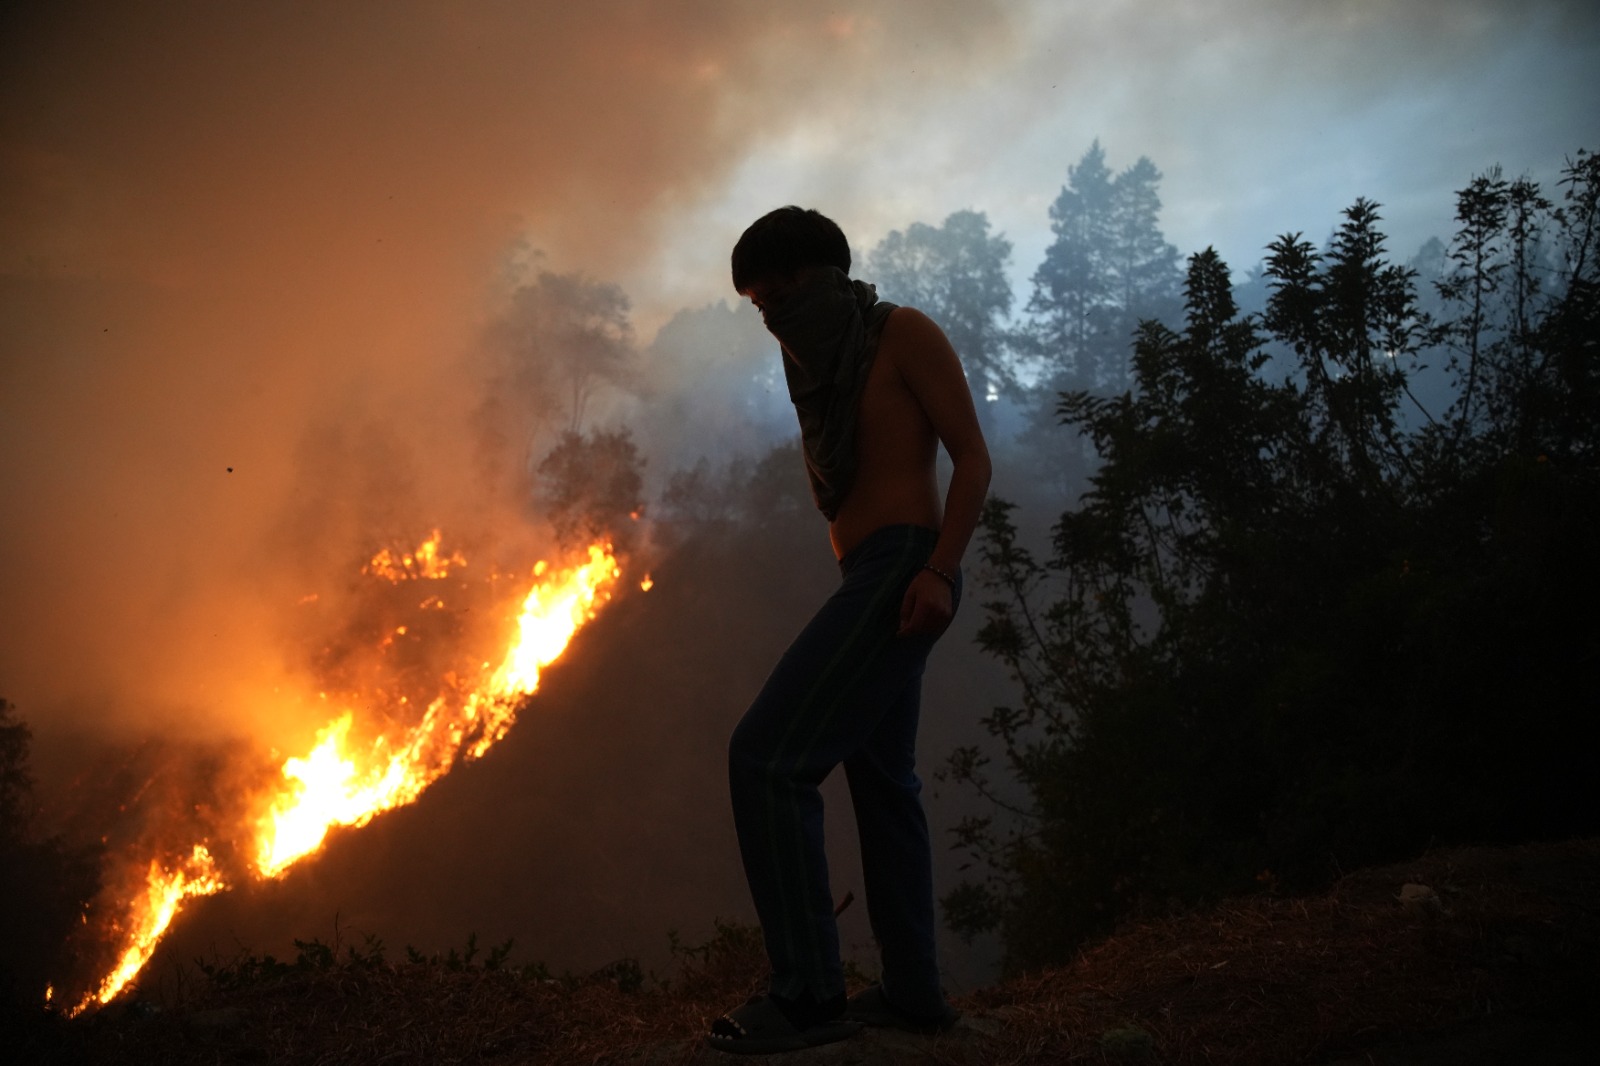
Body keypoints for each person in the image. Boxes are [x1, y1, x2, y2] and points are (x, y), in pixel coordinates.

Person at [706, 206, 991, 1055]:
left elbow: (971, 457)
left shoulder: (902, 334)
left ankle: (807, 997)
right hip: (869, 573)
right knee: (882, 782)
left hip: (903, 568)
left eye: (785, 293)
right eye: (760, 306)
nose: (775, 316)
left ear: (828, 277)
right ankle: (911, 994)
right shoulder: (821, 370)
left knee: (766, 758)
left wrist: (939, 569)